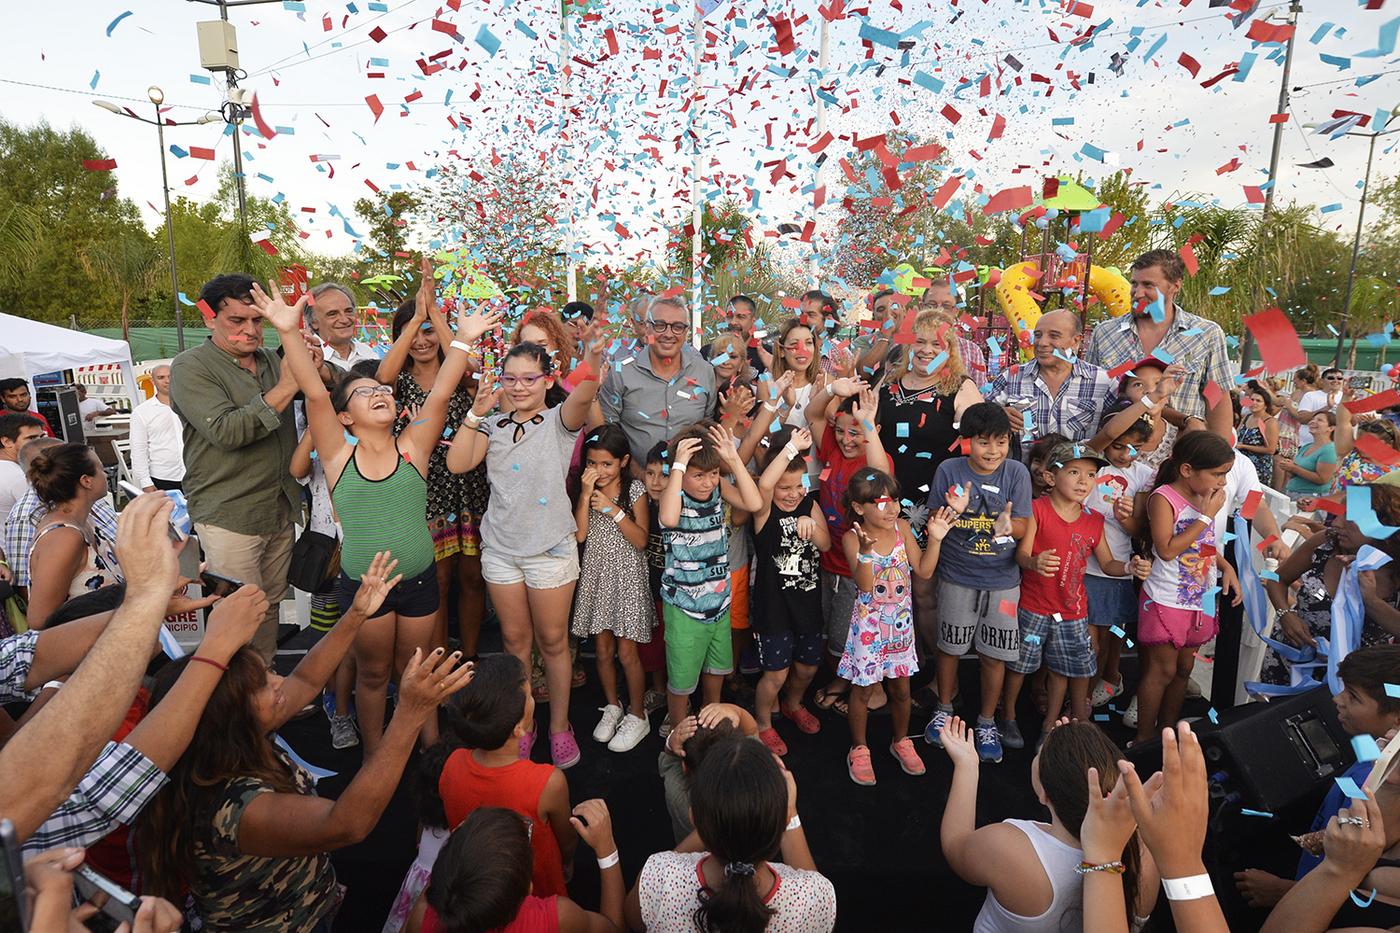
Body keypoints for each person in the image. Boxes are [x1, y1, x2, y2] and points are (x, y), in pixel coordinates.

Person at [136, 553, 471, 932]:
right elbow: (347, 824)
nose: (280, 682)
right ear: (231, 717)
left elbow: (308, 679)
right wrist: (409, 714)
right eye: (265, 683)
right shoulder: (238, 809)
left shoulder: (231, 740)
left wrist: (357, 613)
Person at [261, 267, 499, 753]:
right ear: (345, 417)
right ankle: (375, 756)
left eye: (384, 390)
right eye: (366, 392)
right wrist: (287, 330)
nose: (381, 393)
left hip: (418, 583)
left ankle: (429, 751)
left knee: (416, 672)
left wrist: (465, 340)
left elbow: (442, 391)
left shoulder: (414, 446)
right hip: (364, 587)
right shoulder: (337, 454)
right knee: (372, 675)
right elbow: (313, 391)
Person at [447, 328, 607, 769]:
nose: (519, 387)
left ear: (548, 380)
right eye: (511, 378)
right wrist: (475, 414)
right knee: (515, 643)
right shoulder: (492, 425)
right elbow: (458, 462)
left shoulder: (560, 422)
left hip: (551, 550)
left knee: (553, 643)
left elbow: (585, 392)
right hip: (500, 550)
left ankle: (559, 727)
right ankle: (524, 724)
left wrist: (592, 357)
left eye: (529, 378)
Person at [0, 493, 180, 843]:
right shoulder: (65, 536)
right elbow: (100, 794)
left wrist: (148, 604)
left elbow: (23, 656)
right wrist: (214, 656)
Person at [170, 273, 301, 660]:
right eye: (237, 321)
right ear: (209, 319)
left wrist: (311, 363)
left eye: (257, 320)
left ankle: (263, 689)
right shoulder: (190, 367)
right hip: (229, 512)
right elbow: (226, 431)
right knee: (236, 614)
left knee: (269, 606)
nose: (250, 330)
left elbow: (332, 386)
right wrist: (287, 388)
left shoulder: (269, 361)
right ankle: (232, 707)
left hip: (278, 506)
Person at [938, 717, 1157, 933]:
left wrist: (966, 766)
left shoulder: (1008, 849)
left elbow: (955, 845)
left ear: (1043, 794)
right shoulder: (1144, 852)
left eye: (1039, 757)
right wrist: (1072, 744)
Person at [1003, 443, 1147, 748]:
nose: (1084, 481)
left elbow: (1107, 564)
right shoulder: (1036, 510)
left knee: (1061, 670)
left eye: (1091, 474)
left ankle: (1050, 726)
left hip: (1073, 612)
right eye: (1074, 472)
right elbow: (1022, 555)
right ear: (1051, 478)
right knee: (1019, 666)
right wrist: (1034, 562)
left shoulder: (1094, 519)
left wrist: (1130, 567)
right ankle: (1009, 716)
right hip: (1034, 606)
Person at [1236, 645, 1400, 909]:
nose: (1338, 699)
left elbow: (1353, 869)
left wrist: (1282, 892)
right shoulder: (1366, 750)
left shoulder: (1377, 787)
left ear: (1397, 719)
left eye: (1354, 697)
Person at [378, 285, 490, 661]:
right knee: (437, 583)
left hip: (469, 487)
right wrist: (415, 320)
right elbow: (382, 373)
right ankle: (440, 662)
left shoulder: (459, 374)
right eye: (413, 332)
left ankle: (471, 659)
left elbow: (470, 365)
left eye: (429, 332)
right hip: (423, 492)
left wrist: (436, 316)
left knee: (472, 579)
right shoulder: (396, 383)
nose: (422, 340)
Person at [625, 737, 837, 933]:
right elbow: (814, 888)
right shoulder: (814, 897)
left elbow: (633, 919)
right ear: (781, 821)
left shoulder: (660, 874)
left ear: (694, 818)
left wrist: (717, 818)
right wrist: (790, 814)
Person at [925, 403, 1033, 763]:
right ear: (966, 441)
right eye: (983, 442)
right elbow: (936, 520)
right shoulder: (948, 469)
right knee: (950, 648)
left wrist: (1009, 526)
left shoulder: (1017, 473)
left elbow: (1022, 524)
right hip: (956, 577)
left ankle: (987, 721)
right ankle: (943, 708)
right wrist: (954, 509)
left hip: (1003, 583)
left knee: (994, 655)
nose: (993, 451)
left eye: (1000, 442)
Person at [840, 467, 955, 785]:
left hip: (901, 630)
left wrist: (936, 539)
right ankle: (859, 748)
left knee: (902, 691)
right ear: (859, 508)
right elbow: (865, 587)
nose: (892, 509)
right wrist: (865, 554)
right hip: (869, 629)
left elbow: (924, 571)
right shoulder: (853, 538)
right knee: (862, 692)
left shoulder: (903, 527)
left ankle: (901, 740)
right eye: (881, 503)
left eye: (894, 501)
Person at [434, 654, 575, 899]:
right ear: (518, 728)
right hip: (537, 888)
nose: (532, 699)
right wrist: (568, 862)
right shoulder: (547, 782)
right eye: (530, 697)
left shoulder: (451, 764)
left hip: (476, 889)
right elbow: (567, 839)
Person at [656, 422, 763, 739]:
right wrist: (676, 465)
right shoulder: (672, 495)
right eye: (698, 475)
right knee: (681, 683)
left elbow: (754, 503)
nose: (707, 483)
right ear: (681, 472)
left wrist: (732, 459)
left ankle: (708, 727)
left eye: (712, 474)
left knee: (715, 674)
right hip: (684, 610)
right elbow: (669, 519)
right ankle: (678, 732)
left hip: (719, 605)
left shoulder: (718, 488)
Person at [792, 382, 892, 716]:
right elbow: (812, 412)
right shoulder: (831, 450)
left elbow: (880, 473)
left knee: (858, 631)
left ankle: (870, 690)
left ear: (873, 430)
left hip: (859, 566)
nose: (846, 440)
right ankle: (845, 679)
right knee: (837, 630)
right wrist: (834, 386)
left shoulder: (875, 457)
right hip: (828, 560)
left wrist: (866, 422)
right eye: (840, 431)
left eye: (856, 432)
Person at [1135, 430, 1242, 744]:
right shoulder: (1164, 498)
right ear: (1186, 470)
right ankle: (1143, 740)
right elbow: (1166, 549)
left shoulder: (1204, 497)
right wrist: (1206, 517)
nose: (1222, 482)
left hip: (1201, 597)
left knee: (1184, 670)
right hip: (1167, 597)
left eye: (1225, 475)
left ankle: (1167, 735)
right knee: (1162, 671)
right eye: (1217, 474)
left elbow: (1204, 545)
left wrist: (1225, 567)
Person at [1081, 249, 1235, 438]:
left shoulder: (1206, 334)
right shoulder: (1105, 332)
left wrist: (1218, 457)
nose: (1137, 293)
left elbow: (1218, 400)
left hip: (1176, 456)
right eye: (1134, 284)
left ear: (1175, 286)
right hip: (1113, 455)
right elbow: (1091, 395)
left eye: (1148, 285)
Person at [409, 802, 624, 933]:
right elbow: (614, 930)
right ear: (528, 889)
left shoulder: (421, 917)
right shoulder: (557, 918)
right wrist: (607, 850)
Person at [571, 423, 655, 753]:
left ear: (622, 461)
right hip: (596, 577)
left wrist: (612, 508)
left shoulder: (634, 491)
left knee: (626, 653)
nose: (599, 470)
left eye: (606, 463)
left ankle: (638, 713)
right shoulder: (587, 493)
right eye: (592, 463)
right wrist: (584, 496)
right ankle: (613, 706)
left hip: (627, 579)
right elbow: (579, 535)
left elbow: (641, 540)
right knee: (603, 651)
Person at [1260, 487, 1400, 684]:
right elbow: (1278, 580)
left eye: (1350, 518)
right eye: (1339, 514)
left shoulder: (1396, 573)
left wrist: (1371, 601)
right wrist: (1285, 615)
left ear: (1382, 526)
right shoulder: (1325, 544)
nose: (1336, 522)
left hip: (1349, 685)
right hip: (1286, 664)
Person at [749, 428, 831, 755]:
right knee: (776, 672)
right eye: (786, 487)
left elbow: (825, 544)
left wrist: (814, 533)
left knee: (808, 666)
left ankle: (793, 704)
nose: (793, 493)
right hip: (774, 607)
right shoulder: (764, 511)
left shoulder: (809, 504)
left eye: (799, 485)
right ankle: (762, 723)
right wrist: (792, 448)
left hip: (808, 605)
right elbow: (765, 485)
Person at [1082, 413, 1155, 710]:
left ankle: (1101, 684)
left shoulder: (1141, 475)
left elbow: (1141, 530)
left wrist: (1126, 519)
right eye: (1118, 446)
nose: (1125, 455)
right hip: (1080, 565)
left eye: (1134, 447)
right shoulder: (1089, 465)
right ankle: (1076, 695)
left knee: (1111, 634)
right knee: (1088, 641)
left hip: (1117, 568)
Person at [599, 296, 715, 469]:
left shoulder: (704, 372)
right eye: (660, 325)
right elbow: (608, 431)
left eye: (677, 327)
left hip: (689, 483)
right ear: (647, 328)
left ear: (686, 332)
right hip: (636, 482)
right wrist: (634, 472)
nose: (668, 334)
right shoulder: (620, 373)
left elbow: (707, 424)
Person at [23, 443, 121, 628]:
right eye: (100, 469)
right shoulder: (64, 537)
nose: (106, 474)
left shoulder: (84, 520)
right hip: (88, 651)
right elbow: (39, 621)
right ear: (86, 481)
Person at [989, 308, 1116, 443]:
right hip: (1022, 464)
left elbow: (1120, 429)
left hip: (1078, 463)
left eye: (1054, 336)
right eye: (1038, 335)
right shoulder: (1011, 377)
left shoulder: (1103, 381)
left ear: (1076, 341)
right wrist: (998, 416)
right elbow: (979, 417)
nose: (1042, 343)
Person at [127, 364, 185, 492]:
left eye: (170, 376)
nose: (167, 380)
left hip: (194, 474)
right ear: (153, 381)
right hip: (163, 476)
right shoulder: (142, 412)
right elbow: (139, 449)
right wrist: (145, 481)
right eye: (161, 377)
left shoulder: (189, 405)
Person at [307, 282, 378, 370]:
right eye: (332, 314)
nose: (344, 320)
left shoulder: (367, 352)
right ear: (314, 322)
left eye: (348, 311)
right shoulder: (307, 357)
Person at [702, 294, 771, 373]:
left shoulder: (767, 354)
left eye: (741, 317)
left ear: (753, 321)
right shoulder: (707, 351)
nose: (733, 322)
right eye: (729, 316)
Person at [1278, 412, 1338, 500]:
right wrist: (1288, 467)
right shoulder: (1306, 447)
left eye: (1319, 420)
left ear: (1331, 428)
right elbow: (1294, 474)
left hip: (1310, 498)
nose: (1312, 422)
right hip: (1292, 493)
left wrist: (1293, 468)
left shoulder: (1330, 450)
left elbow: (1322, 479)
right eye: (1313, 419)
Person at [0, 412, 44, 522]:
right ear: (7, 442)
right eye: (32, 438)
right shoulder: (19, 477)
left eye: (42, 437)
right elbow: (41, 517)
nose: (40, 443)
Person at [800, 290, 854, 379]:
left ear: (828, 319)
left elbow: (852, 388)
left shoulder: (841, 353)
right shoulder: (790, 348)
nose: (803, 319)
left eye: (811, 315)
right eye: (802, 313)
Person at [1236, 380, 1279, 486]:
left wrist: (1244, 446)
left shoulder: (1270, 422)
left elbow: (1270, 449)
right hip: (1241, 464)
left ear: (1265, 405)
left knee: (1253, 499)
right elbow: (1237, 436)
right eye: (1252, 400)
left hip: (1259, 467)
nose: (1254, 403)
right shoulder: (1247, 417)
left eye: (1258, 401)